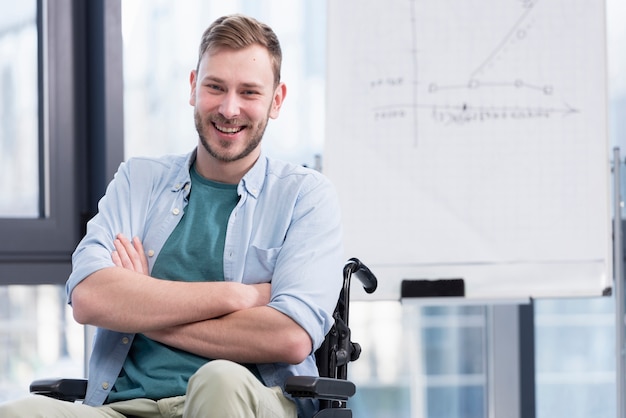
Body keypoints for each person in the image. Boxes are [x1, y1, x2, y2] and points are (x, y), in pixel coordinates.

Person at [0, 13, 343, 418]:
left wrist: (141, 301)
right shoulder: (139, 180)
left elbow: (289, 337)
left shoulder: (306, 196)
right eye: (215, 87)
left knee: (219, 378)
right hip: (124, 406)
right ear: (193, 87)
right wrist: (241, 296)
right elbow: (90, 298)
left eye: (249, 92)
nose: (229, 108)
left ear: (277, 100)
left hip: (245, 399)